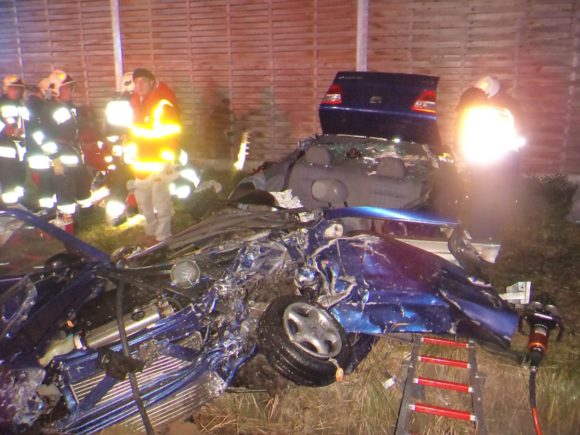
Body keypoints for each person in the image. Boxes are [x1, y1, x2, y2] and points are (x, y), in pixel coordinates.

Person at [128, 68, 181, 242]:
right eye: (136, 82)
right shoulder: (135, 105)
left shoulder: (162, 105)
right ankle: (150, 232)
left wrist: (167, 161)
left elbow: (172, 134)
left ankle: (163, 236)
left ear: (152, 83)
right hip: (141, 164)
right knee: (143, 203)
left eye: (143, 81)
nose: (139, 85)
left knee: (161, 203)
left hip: (159, 164)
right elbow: (133, 134)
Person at [41, 70, 92, 217]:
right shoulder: (49, 110)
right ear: (56, 89)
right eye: (67, 88)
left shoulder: (69, 107)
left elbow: (75, 127)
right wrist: (55, 158)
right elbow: (45, 136)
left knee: (82, 179)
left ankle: (86, 210)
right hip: (61, 153)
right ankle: (67, 216)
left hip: (73, 149)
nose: (71, 91)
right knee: (65, 185)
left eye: (71, 87)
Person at [0, 75, 27, 205]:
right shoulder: (1, 104)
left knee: (19, 178)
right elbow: (6, 129)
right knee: (8, 179)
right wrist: (5, 129)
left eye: (19, 89)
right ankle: (9, 206)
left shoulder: (21, 106)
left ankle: (18, 204)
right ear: (7, 89)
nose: (17, 91)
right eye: (14, 88)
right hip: (5, 149)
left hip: (20, 148)